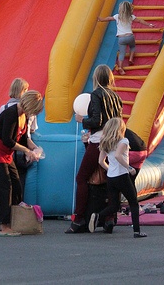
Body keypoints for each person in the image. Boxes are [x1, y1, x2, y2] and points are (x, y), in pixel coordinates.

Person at [65, 64, 123, 234]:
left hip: (99, 141)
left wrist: (82, 120)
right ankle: (109, 217)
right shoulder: (116, 97)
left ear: (96, 78)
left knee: (82, 178)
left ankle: (80, 218)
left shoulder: (95, 95)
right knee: (110, 177)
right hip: (115, 140)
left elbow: (97, 120)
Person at [0, 90, 44, 237]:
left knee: (16, 184)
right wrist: (27, 151)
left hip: (6, 155)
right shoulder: (11, 114)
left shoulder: (23, 116)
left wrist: (34, 149)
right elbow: (7, 140)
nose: (33, 114)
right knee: (4, 188)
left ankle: (15, 219)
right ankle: (4, 225)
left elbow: (22, 139)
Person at [88, 117, 147, 238]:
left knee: (114, 205)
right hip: (122, 176)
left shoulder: (105, 142)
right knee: (133, 202)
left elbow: (101, 161)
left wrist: (110, 169)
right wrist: (129, 168)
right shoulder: (123, 141)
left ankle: (98, 215)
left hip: (111, 177)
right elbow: (119, 156)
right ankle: (137, 231)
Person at [0, 77, 38, 197]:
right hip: (22, 148)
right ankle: (19, 204)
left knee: (7, 181)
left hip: (7, 151)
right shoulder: (30, 111)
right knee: (20, 179)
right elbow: (32, 129)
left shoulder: (3, 108)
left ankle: (10, 205)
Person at [98, 0, 155, 75]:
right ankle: (131, 58)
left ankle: (121, 67)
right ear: (129, 9)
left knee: (122, 53)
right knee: (132, 47)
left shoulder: (117, 16)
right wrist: (149, 25)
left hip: (121, 38)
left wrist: (101, 19)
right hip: (130, 36)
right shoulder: (131, 17)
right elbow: (140, 21)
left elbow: (109, 18)